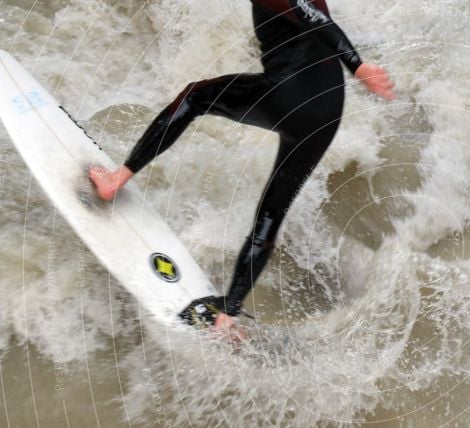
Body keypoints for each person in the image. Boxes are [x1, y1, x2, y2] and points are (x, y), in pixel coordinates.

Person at [89, 0, 394, 339]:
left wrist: (358, 65)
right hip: (326, 110)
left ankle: (116, 179)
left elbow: (310, 14)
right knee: (271, 214)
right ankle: (227, 314)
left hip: (290, 93)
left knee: (193, 98)